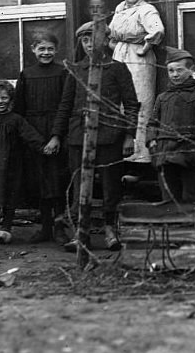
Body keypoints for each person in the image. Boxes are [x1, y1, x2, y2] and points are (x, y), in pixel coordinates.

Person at [54, 20, 139, 251]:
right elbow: (65, 105)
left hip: (110, 137)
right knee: (80, 187)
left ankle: (111, 230)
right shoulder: (75, 69)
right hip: (78, 137)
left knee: (111, 186)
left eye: (95, 39)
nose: (90, 44)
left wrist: (129, 135)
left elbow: (131, 104)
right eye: (85, 40)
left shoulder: (117, 69)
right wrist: (56, 135)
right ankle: (81, 234)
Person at [0, 80, 50, 244]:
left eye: (4, 98)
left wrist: (44, 147)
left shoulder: (16, 119)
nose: (0, 102)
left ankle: (6, 227)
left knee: (8, 193)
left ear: (11, 99)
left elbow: (30, 136)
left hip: (10, 165)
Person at [13, 30, 68, 243]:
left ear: (56, 50)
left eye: (50, 49)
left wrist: (56, 136)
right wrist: (33, 140)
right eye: (41, 48)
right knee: (39, 183)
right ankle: (45, 227)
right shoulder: (26, 75)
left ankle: (60, 228)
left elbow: (66, 106)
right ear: (33, 49)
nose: (46, 53)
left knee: (57, 183)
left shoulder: (63, 73)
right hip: (34, 136)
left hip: (56, 133)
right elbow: (19, 111)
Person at [147, 48, 195, 208]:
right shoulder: (162, 97)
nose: (174, 74)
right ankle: (172, 231)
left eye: (179, 70)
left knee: (190, 200)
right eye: (171, 71)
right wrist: (152, 143)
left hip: (189, 155)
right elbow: (152, 123)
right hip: (164, 154)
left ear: (191, 70)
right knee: (169, 199)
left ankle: (190, 232)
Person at [108, 0, 164, 163]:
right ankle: (121, 154)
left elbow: (157, 31)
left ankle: (140, 156)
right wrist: (115, 45)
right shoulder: (119, 9)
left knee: (139, 102)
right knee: (120, 103)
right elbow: (112, 34)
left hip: (138, 61)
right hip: (119, 58)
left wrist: (144, 46)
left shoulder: (146, 9)